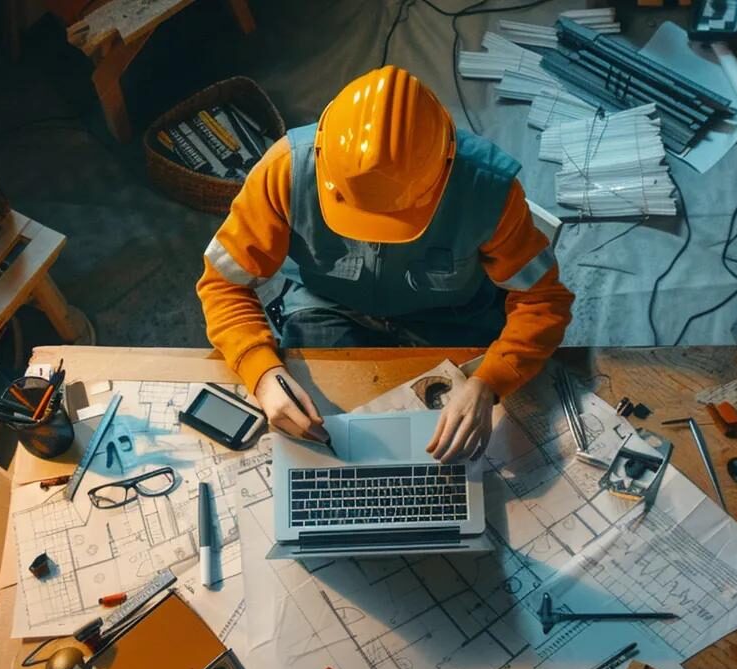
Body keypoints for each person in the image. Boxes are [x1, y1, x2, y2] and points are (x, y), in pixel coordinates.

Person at [197, 65, 573, 462]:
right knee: (320, 449)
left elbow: (543, 301)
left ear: (447, 164)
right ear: (322, 155)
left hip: (454, 317)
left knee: (473, 460)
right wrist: (261, 373)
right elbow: (223, 284)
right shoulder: (284, 172)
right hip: (328, 311)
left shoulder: (489, 191)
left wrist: (491, 381)